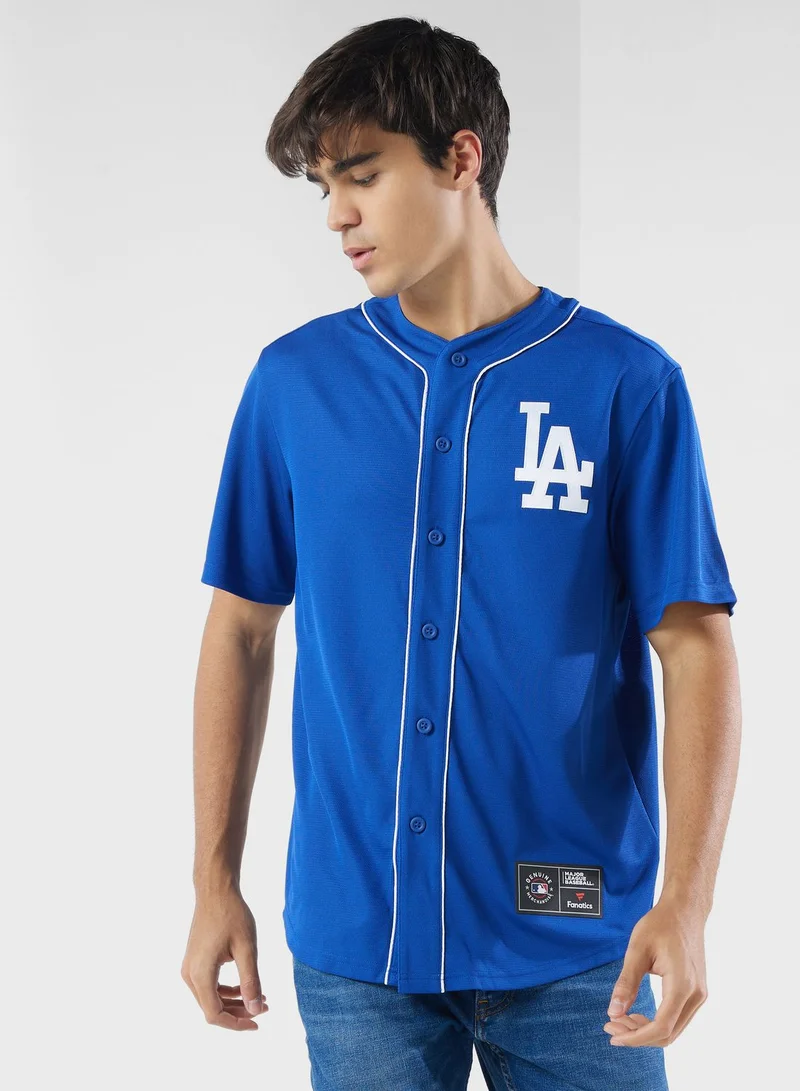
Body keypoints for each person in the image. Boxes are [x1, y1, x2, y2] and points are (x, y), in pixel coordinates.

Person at [181, 16, 742, 1090]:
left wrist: (687, 900)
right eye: (323, 188)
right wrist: (213, 879)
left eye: (361, 174)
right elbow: (240, 629)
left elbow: (693, 647)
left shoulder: (625, 384)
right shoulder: (293, 385)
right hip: (357, 944)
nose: (337, 214)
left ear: (460, 158)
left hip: (579, 937)